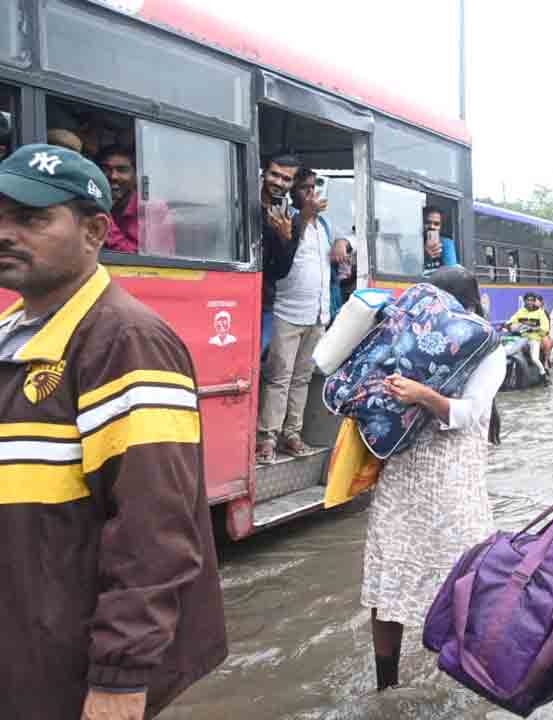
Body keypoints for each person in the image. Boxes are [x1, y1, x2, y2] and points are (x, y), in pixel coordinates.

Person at [0, 143, 226, 719]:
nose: (5, 233)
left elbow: (155, 533)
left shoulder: (126, 342)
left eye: (30, 219)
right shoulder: (13, 334)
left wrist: (119, 683)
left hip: (69, 673)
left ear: (96, 231)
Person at [363, 266, 505, 692]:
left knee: (461, 581)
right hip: (403, 476)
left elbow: (469, 414)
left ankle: (468, 679)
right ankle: (386, 687)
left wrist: (422, 395)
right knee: (388, 582)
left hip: (452, 481)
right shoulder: (408, 338)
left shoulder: (487, 347)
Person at [256, 165, 331, 463]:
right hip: (287, 312)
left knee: (301, 378)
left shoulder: (321, 226)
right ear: (293, 193)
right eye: (304, 188)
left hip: (317, 315)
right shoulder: (291, 222)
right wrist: (306, 216)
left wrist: (343, 243)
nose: (311, 194)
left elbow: (335, 253)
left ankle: (292, 433)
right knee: (279, 377)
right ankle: (267, 437)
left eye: (315, 187)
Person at [97, 145, 176, 255]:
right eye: (105, 169)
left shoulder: (151, 208)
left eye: (122, 170)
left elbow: (142, 260)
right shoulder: (102, 202)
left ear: (135, 176)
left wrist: (104, 218)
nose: (113, 176)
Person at [259, 153, 302, 355]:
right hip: (232, 292)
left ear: (292, 184)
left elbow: (281, 271)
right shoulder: (241, 202)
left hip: (264, 300)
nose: (279, 182)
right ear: (264, 173)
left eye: (286, 179)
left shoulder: (293, 218)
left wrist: (284, 238)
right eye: (274, 175)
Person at [504, 291, 552, 378]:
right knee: (509, 352)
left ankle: (543, 374)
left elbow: (545, 328)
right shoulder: (521, 312)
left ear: (534, 301)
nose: (529, 302)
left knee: (534, 358)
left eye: (531, 300)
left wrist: (534, 329)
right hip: (523, 338)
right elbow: (512, 320)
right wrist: (507, 324)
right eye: (527, 300)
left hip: (534, 339)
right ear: (524, 301)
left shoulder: (540, 313)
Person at [422, 206, 458, 275]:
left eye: (436, 224)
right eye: (427, 222)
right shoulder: (415, 242)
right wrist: (425, 255)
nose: (432, 226)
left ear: (440, 227)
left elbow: (451, 272)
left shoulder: (446, 243)